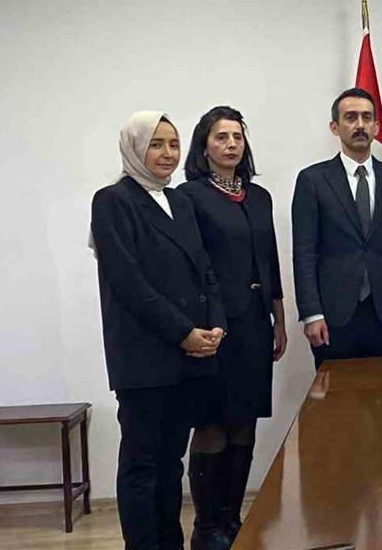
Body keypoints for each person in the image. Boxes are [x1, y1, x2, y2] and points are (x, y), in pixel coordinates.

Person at [90, 112, 226, 550]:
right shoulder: (113, 201)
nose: (167, 153)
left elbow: (205, 270)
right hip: (144, 358)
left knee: (171, 463)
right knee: (142, 465)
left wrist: (216, 324)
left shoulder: (180, 201)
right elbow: (130, 284)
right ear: (133, 148)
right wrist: (184, 332)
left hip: (189, 356)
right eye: (156, 144)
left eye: (173, 144)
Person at [178, 106, 286, 548]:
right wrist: (200, 322)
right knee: (212, 422)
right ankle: (206, 526)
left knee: (245, 421)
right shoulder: (189, 197)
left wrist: (279, 316)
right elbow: (191, 265)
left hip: (256, 323)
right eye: (221, 137)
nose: (230, 144)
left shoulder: (259, 197)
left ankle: (231, 517)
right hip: (214, 327)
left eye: (237, 137)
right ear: (204, 146)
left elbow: (270, 258)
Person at [292, 88, 382, 367]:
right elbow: (304, 252)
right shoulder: (313, 180)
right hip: (333, 314)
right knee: (334, 392)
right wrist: (311, 313)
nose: (360, 125)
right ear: (334, 127)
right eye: (350, 117)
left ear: (376, 126)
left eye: (366, 117)